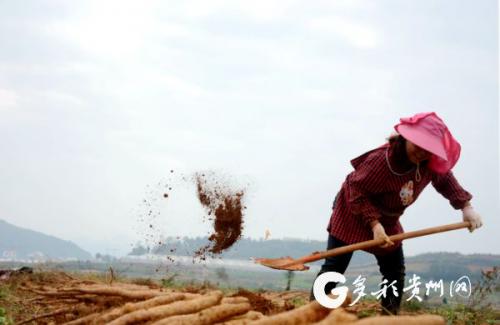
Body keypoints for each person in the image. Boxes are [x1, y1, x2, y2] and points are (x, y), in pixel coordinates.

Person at [310, 112, 483, 314]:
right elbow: (355, 191)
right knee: (334, 267)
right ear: (407, 138)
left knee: (394, 271)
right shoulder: (381, 161)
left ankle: (389, 317)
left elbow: (445, 180)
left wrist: (466, 206)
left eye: (428, 149)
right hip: (352, 211)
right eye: (419, 145)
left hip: (388, 219)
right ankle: (313, 314)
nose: (422, 152)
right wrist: (374, 224)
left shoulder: (429, 164)